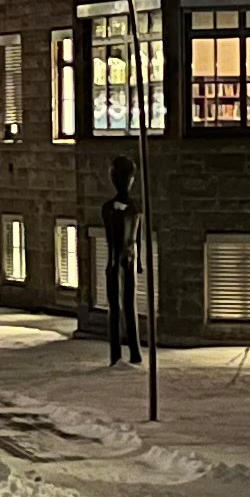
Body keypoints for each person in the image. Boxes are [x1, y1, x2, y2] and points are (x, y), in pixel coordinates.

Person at [97, 154, 145, 366]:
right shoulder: (109, 209)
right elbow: (113, 235)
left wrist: (140, 262)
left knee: (129, 306)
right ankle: (116, 354)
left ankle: (134, 351)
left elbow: (138, 237)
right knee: (115, 308)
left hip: (129, 261)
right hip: (115, 261)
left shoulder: (135, 208)